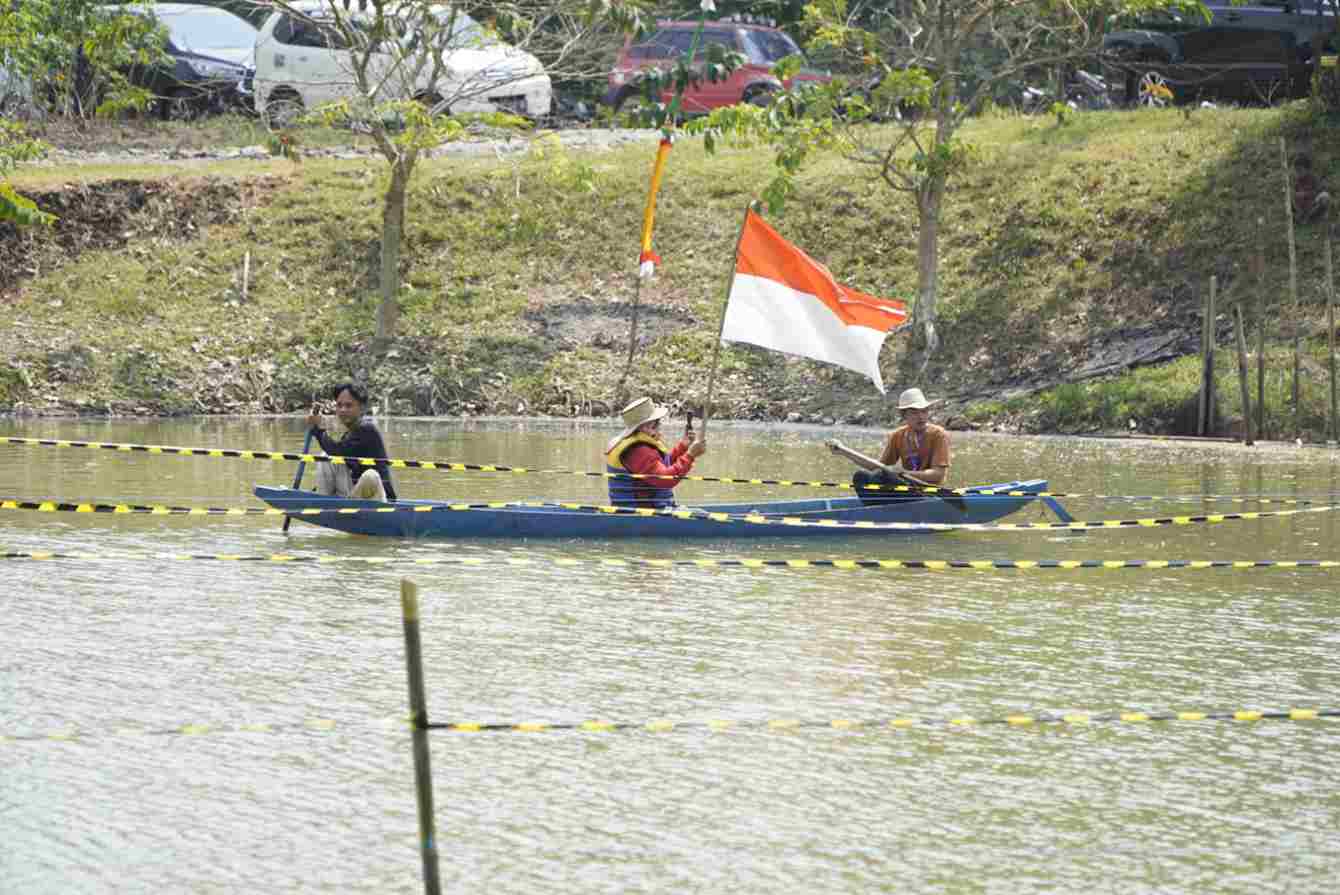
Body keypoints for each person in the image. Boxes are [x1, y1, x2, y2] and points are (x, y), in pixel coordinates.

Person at [825, 387, 951, 502]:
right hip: (905, 490)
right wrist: (844, 451)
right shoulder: (898, 436)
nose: (921, 417)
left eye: (924, 411)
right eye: (914, 412)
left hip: (929, 493)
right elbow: (878, 467)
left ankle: (888, 510)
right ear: (904, 415)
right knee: (862, 477)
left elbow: (938, 474)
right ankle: (879, 511)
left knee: (882, 475)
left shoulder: (938, 435)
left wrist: (904, 473)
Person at [604, 397, 706, 507]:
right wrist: (690, 455)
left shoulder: (638, 445)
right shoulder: (638, 451)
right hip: (641, 514)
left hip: (647, 512)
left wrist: (683, 447)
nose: (660, 426)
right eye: (658, 422)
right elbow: (665, 480)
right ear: (648, 426)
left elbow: (661, 465)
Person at [304, 382, 398, 502]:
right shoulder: (351, 432)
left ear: (362, 408)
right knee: (326, 457)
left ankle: (325, 503)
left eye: (349, 406)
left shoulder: (367, 429)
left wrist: (316, 430)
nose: (343, 410)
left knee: (371, 476)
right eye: (339, 405)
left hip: (377, 498)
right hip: (356, 495)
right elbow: (340, 458)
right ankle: (324, 500)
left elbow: (336, 451)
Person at [1293, 153, 1331, 224]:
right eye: (1297, 171)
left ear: (1307, 169)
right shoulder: (1297, 182)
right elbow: (1295, 197)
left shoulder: (1314, 179)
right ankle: (1301, 218)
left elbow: (1319, 191)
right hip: (1302, 207)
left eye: (1300, 170)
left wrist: (1306, 194)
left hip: (1312, 207)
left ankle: (1312, 219)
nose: (1298, 173)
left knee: (1325, 197)